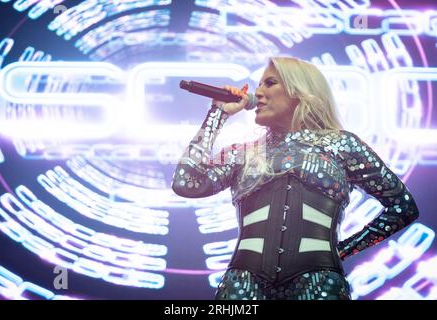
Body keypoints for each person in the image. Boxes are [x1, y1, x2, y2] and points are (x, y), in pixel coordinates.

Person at [171, 57, 419, 300]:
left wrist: (341, 251)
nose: (258, 93)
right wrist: (218, 113)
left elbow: (402, 207)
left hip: (319, 286)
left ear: (299, 91)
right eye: (259, 85)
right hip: (242, 288)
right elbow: (186, 183)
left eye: (270, 83)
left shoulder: (342, 145)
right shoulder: (243, 153)